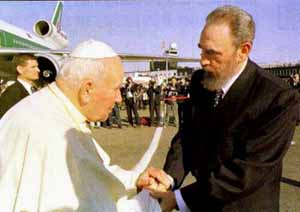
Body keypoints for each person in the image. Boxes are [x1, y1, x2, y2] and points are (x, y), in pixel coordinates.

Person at [137, 6, 300, 212]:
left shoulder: (278, 97)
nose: (203, 60)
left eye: (212, 53)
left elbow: (246, 173)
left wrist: (178, 199)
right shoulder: (200, 81)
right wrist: (169, 179)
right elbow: (188, 136)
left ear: (243, 50)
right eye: (201, 50)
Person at [0, 40, 160, 212]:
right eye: (115, 89)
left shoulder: (52, 109)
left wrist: (135, 180)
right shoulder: (56, 134)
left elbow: (96, 171)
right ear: (86, 90)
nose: (119, 99)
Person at [0, 54, 40, 118]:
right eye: (33, 67)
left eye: (37, 66)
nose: (38, 70)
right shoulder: (12, 92)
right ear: (20, 69)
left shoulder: (35, 89)